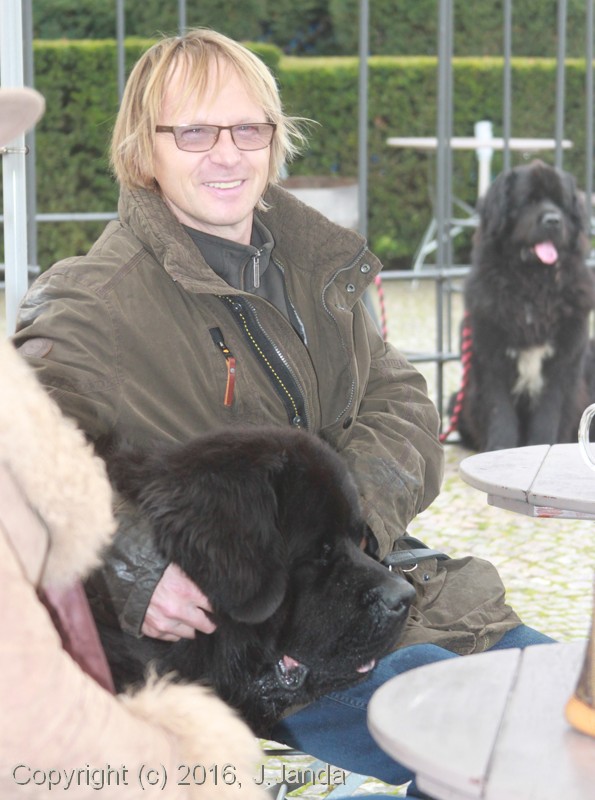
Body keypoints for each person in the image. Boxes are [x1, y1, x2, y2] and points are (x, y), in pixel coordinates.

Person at [11, 29, 553, 797]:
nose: (226, 154)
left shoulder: (313, 267)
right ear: (142, 147)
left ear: (275, 139)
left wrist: (347, 527)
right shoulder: (92, 300)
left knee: (571, 712)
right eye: (193, 132)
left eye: (248, 129)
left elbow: (400, 403)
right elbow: (24, 451)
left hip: (389, 588)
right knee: (506, 752)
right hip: (262, 649)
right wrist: (135, 564)